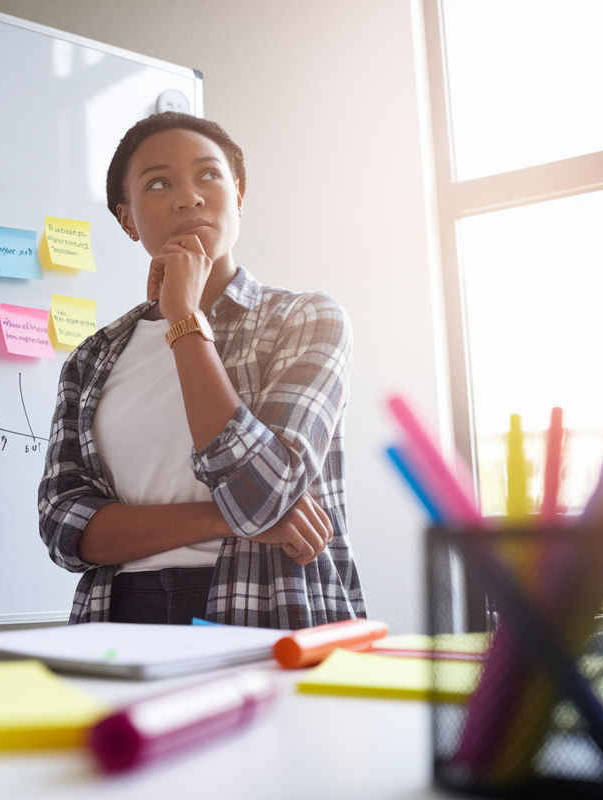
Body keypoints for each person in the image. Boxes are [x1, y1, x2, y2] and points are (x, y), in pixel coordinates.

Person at [38, 112, 365, 628]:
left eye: (209, 175)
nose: (189, 196)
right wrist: (219, 518)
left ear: (238, 195)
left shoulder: (307, 319)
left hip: (265, 607)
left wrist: (185, 319)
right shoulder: (92, 357)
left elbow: (264, 494)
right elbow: (63, 527)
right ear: (127, 219)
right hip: (121, 615)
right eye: (159, 183)